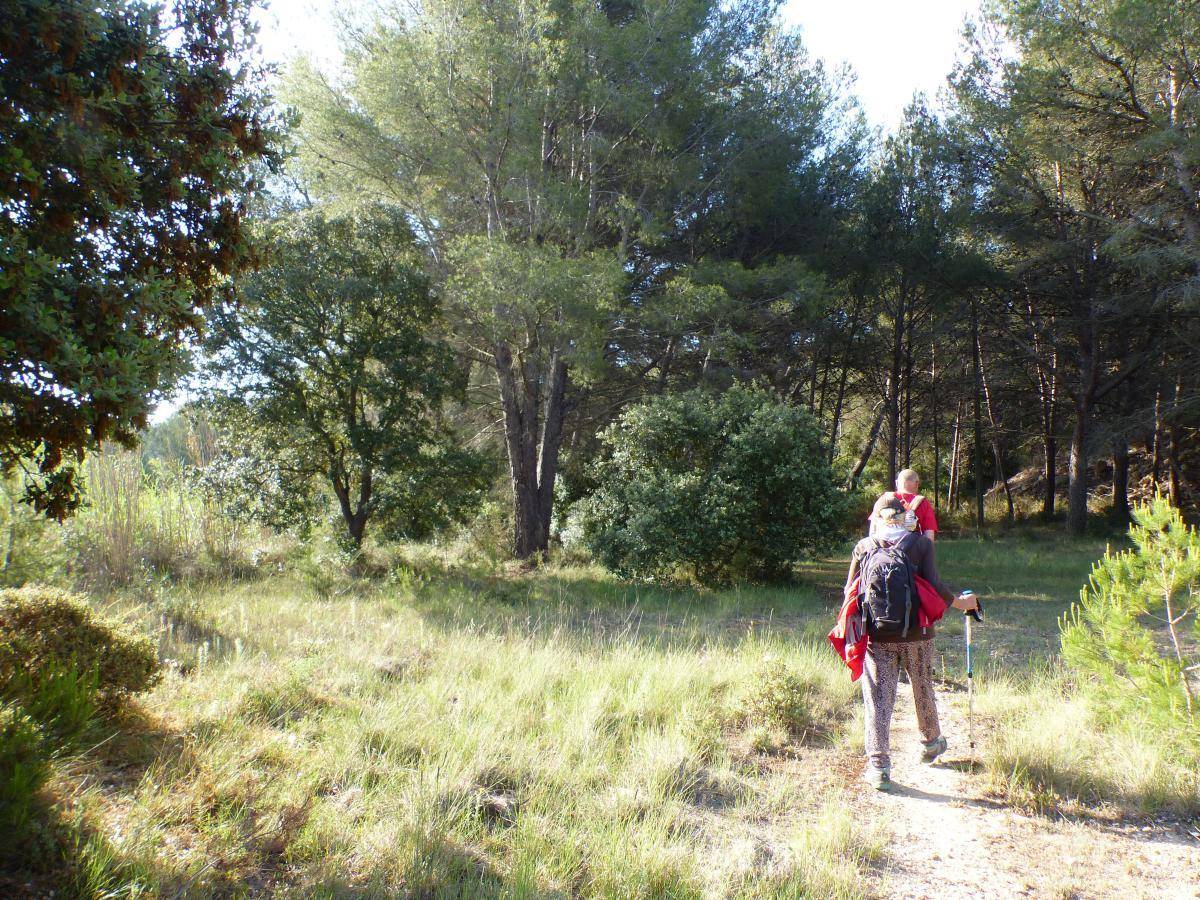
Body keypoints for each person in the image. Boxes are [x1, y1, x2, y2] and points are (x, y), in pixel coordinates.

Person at [844, 498, 978, 790]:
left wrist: (848, 628)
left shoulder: (864, 546)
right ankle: (931, 742)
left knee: (879, 697)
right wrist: (962, 603)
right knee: (921, 685)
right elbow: (935, 585)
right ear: (906, 517)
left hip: (878, 635)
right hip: (918, 634)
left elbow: (850, 590)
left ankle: (879, 765)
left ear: (877, 518)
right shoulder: (920, 544)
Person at [868, 468, 937, 541]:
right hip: (909, 550)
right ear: (917, 484)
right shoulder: (923, 503)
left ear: (897, 483)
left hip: (882, 549)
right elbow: (929, 537)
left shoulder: (884, 500)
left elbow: (872, 531)